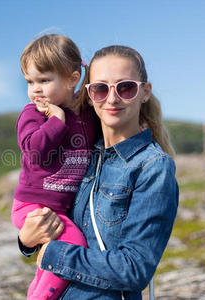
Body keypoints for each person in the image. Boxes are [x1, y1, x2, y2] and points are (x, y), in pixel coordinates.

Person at [18, 45, 179, 299]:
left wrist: (53, 254)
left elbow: (134, 269)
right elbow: (59, 222)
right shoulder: (82, 155)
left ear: (144, 92)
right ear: (89, 94)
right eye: (101, 89)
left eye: (126, 88)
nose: (112, 99)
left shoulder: (153, 167)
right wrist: (27, 242)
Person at [12, 34, 99, 299]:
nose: (35, 89)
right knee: (72, 244)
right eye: (29, 81)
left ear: (73, 79)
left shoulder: (86, 115)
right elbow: (36, 152)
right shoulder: (33, 114)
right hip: (33, 207)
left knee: (47, 265)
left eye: (44, 80)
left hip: (58, 209)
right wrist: (56, 121)